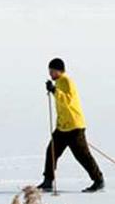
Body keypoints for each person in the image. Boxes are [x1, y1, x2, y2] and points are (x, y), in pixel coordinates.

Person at [38, 58, 104, 193]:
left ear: (58, 70)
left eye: (52, 71)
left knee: (82, 156)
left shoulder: (66, 81)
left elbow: (67, 100)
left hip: (74, 127)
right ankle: (48, 181)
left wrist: (54, 90)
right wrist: (53, 90)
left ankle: (98, 180)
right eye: (49, 71)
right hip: (63, 127)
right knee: (51, 151)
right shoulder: (59, 83)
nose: (50, 73)